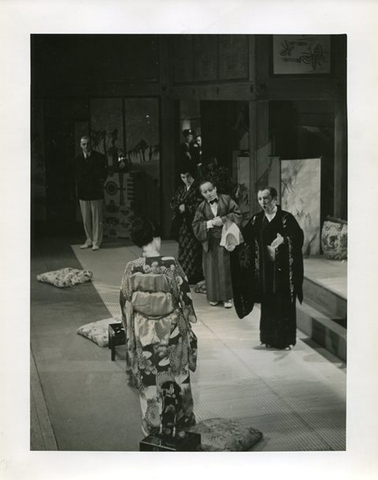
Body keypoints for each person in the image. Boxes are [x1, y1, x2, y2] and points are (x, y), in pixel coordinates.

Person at [119, 217, 198, 437]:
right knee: (176, 374)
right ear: (156, 238)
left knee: (149, 378)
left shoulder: (131, 267)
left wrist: (131, 332)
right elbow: (185, 299)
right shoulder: (171, 263)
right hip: (171, 332)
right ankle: (182, 420)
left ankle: (152, 423)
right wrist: (188, 321)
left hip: (144, 335)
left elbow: (125, 302)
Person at [231, 186, 304, 350]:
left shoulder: (286, 218)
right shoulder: (257, 219)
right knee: (268, 302)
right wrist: (232, 240)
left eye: (266, 198)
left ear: (275, 199)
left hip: (283, 270)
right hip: (264, 270)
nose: (263, 202)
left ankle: (285, 340)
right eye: (260, 199)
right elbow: (245, 237)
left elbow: (297, 237)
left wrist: (284, 240)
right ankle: (268, 338)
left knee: (283, 302)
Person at [192, 178, 242, 308]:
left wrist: (224, 219)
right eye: (204, 192)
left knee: (226, 268)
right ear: (202, 194)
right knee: (211, 269)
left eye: (210, 190)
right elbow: (196, 224)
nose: (208, 194)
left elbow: (237, 214)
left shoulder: (226, 199)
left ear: (215, 189)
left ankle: (228, 298)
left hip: (226, 239)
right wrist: (209, 223)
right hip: (211, 241)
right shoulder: (202, 207)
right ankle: (213, 297)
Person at [170, 163, 204, 285]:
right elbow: (173, 202)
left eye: (188, 176)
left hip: (193, 224)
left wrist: (188, 208)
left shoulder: (199, 188)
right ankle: (183, 274)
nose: (186, 180)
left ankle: (195, 276)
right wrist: (179, 207)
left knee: (194, 250)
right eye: (183, 177)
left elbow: (201, 205)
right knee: (183, 250)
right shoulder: (181, 189)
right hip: (182, 225)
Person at [75, 135, 108, 251]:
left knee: (97, 218)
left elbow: (104, 173)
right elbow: (76, 176)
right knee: (86, 219)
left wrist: (98, 184)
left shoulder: (100, 157)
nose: (86, 146)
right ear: (80, 145)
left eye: (88, 144)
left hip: (96, 192)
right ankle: (89, 240)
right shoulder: (78, 159)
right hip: (83, 193)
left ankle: (96, 242)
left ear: (91, 144)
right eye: (83, 144)